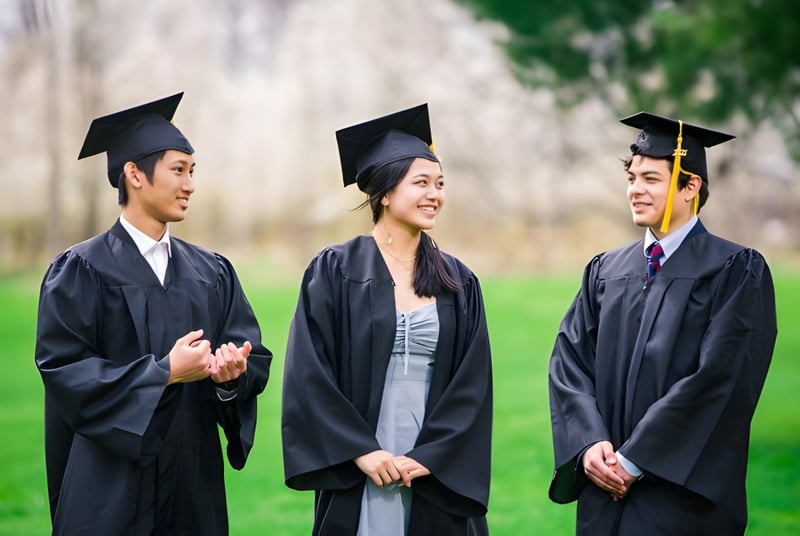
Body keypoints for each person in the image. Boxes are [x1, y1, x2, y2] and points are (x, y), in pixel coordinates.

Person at [34, 92, 272, 535]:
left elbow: (252, 356)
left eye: (192, 172)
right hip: (110, 491)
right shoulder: (80, 270)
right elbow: (64, 370)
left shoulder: (212, 272)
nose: (190, 185)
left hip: (191, 488)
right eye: (178, 170)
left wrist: (229, 378)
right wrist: (162, 374)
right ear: (134, 174)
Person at [547, 111, 778, 535]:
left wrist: (636, 459)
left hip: (680, 497)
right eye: (632, 178)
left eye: (651, 179)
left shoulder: (735, 271)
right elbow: (569, 362)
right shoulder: (606, 271)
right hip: (603, 490)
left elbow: (720, 380)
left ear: (691, 187)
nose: (635, 190)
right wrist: (589, 445)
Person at [281, 104, 493, 535]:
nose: (435, 194)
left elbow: (472, 384)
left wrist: (431, 455)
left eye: (440, 184)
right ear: (384, 192)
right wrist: (361, 450)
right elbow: (309, 372)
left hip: (433, 458)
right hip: (360, 456)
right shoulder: (336, 270)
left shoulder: (457, 279)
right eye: (422, 183)